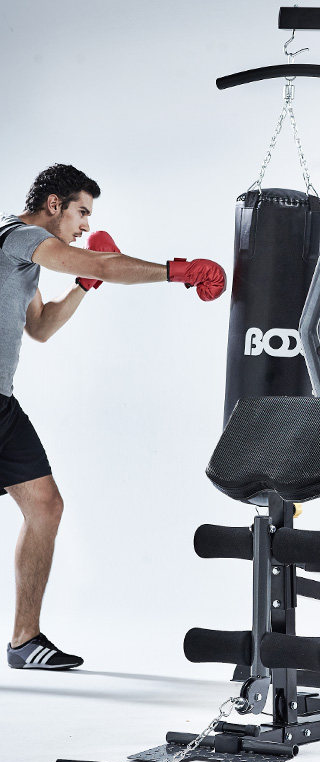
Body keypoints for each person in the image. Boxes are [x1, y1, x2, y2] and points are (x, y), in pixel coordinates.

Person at [1, 164, 226, 670]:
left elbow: (40, 327)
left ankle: (24, 641)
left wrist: (84, 284)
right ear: (54, 204)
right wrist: (178, 272)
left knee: (45, 507)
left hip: (3, 406)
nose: (85, 225)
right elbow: (101, 262)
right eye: (81, 212)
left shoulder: (24, 256)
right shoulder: (20, 237)